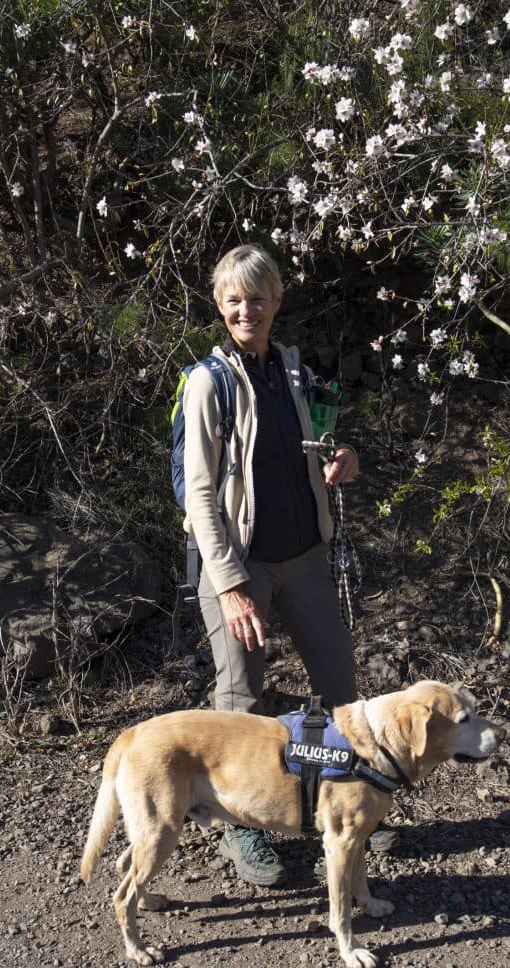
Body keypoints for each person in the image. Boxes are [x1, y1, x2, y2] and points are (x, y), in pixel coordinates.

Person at [182, 244, 387, 886]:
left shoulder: (294, 373)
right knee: (242, 703)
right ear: (220, 306)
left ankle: (336, 809)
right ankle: (241, 829)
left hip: (303, 557)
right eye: (235, 299)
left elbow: (317, 449)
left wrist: (341, 459)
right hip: (238, 565)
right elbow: (200, 495)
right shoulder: (206, 383)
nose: (248, 309)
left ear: (277, 301)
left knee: (340, 693)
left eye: (259, 297)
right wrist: (233, 586)